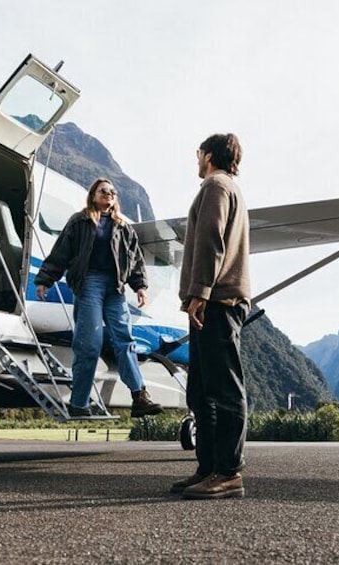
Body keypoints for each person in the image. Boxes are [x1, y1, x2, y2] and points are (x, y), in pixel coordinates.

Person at [34, 178, 162, 419]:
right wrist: (45, 279)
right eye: (103, 190)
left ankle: (139, 396)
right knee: (89, 343)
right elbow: (61, 252)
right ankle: (79, 403)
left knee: (125, 339)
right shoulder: (79, 221)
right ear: (93, 195)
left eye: (112, 192)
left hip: (116, 288)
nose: (109, 194)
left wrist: (140, 286)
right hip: (89, 283)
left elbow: (135, 260)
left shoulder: (124, 227)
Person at [171, 133, 250, 500]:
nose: (196, 159)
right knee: (201, 391)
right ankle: (207, 468)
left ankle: (228, 472)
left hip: (217, 301)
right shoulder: (226, 187)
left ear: (209, 156)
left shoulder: (217, 185)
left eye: (198, 152)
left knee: (223, 389)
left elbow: (209, 240)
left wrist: (200, 292)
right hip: (211, 300)